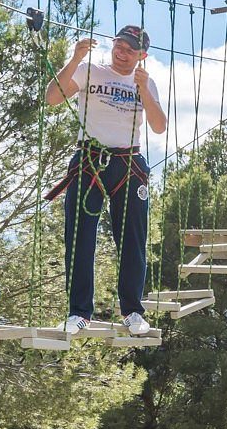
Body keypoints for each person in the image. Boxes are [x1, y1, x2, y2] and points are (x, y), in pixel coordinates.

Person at [45, 25, 168, 336]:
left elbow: (158, 126)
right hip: (89, 161)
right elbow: (52, 98)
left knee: (132, 240)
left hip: (129, 164)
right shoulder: (90, 71)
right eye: (118, 45)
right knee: (80, 237)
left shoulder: (145, 81)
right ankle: (79, 312)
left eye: (129, 49)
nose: (121, 52)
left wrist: (143, 90)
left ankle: (132, 311)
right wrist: (74, 59)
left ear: (142, 55)